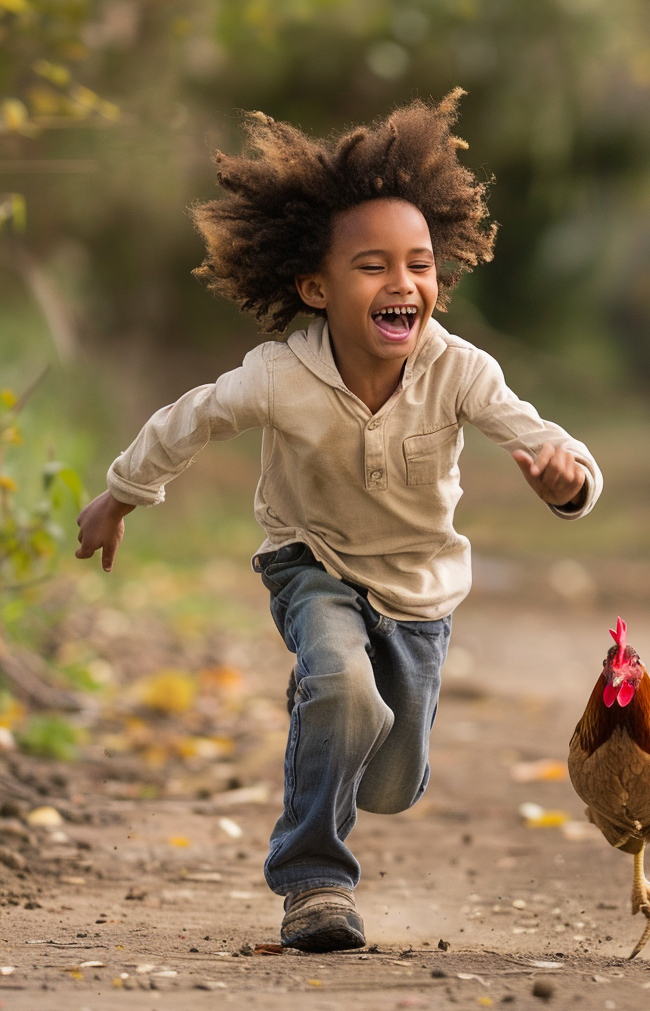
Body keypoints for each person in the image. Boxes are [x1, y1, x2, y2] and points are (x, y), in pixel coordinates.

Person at [74, 90, 602, 953]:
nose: (403, 284)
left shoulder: (460, 370)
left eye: (420, 263)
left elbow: (546, 441)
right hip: (310, 560)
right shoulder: (280, 376)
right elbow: (189, 418)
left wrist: (565, 481)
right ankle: (314, 880)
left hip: (419, 589)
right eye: (374, 266)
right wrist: (120, 495)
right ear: (316, 286)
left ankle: (339, 721)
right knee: (341, 686)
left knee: (392, 780)